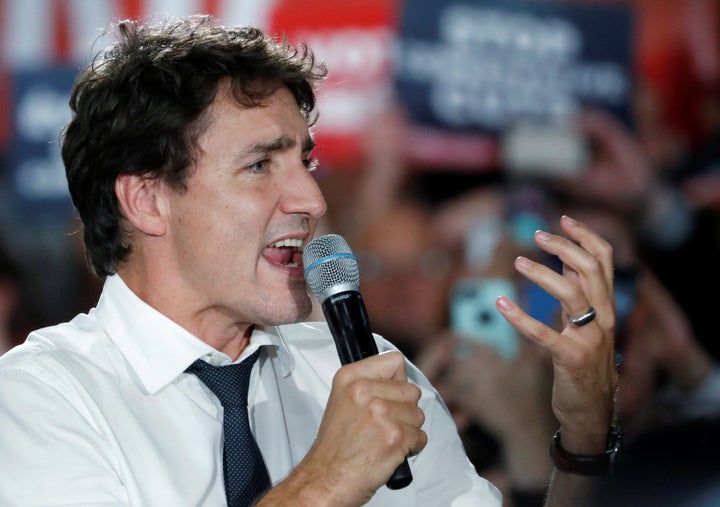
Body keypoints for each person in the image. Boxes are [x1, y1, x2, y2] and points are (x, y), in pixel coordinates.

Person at [0, 15, 619, 506]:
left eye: (306, 162)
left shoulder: (364, 370)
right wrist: (327, 483)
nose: (312, 200)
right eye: (260, 165)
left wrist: (583, 443)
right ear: (148, 200)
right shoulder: (38, 400)